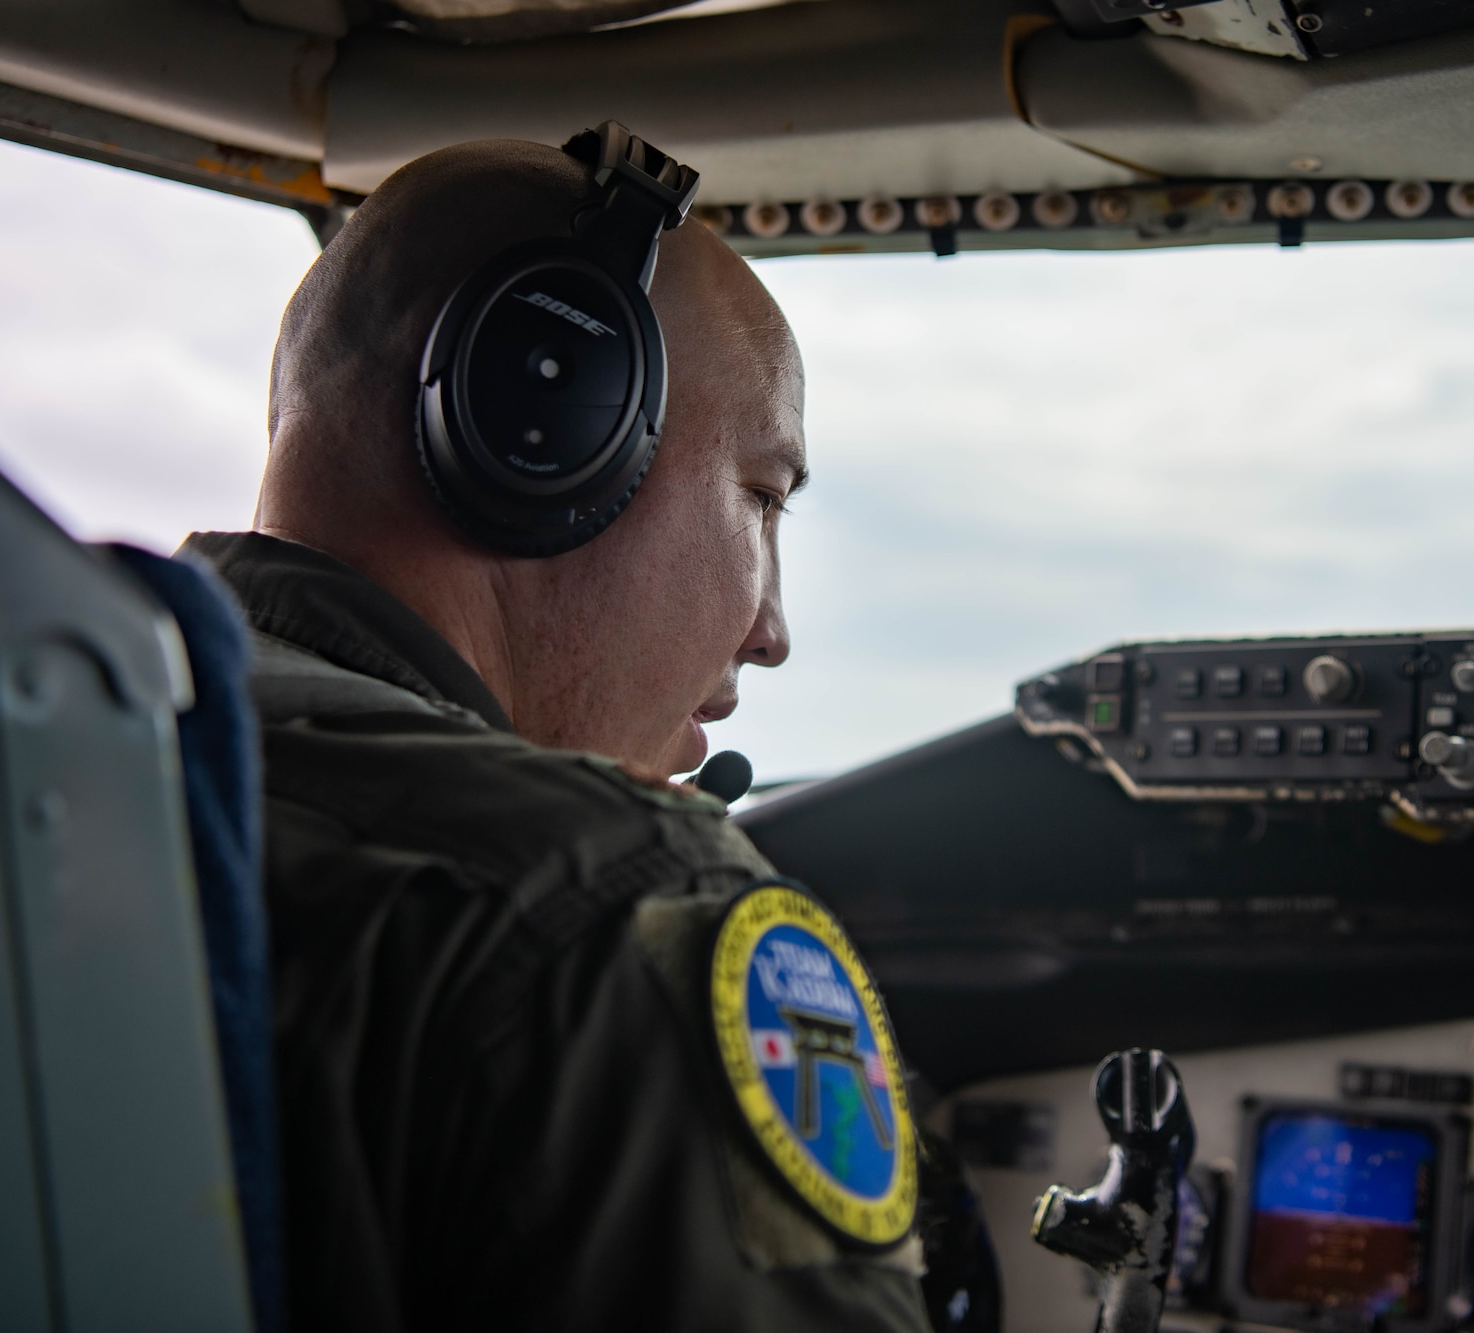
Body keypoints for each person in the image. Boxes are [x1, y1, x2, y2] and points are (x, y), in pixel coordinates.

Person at [181, 133, 934, 1332]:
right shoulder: (596, 907)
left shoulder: (49, 732)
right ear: (550, 421)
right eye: (762, 496)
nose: (770, 630)